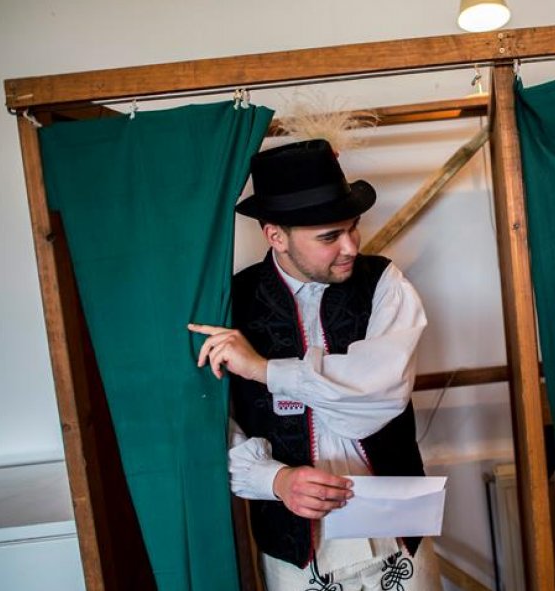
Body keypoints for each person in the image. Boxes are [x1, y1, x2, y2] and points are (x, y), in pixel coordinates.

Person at [189, 139, 441, 591]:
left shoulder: (385, 283)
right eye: (329, 236)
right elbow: (209, 422)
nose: (349, 246)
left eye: (353, 228)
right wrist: (275, 479)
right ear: (275, 236)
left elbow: (379, 392)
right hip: (297, 546)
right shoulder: (230, 303)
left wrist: (264, 370)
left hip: (397, 532)